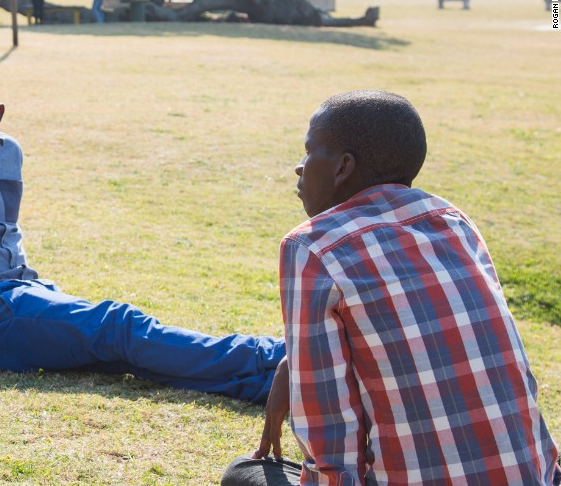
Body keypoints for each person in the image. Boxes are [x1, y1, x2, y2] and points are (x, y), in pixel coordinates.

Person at [0, 60, 283, 403]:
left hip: (26, 292)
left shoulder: (8, 150)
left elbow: (6, 229)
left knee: (123, 356)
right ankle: (273, 357)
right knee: (119, 325)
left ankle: (263, 384)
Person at [221, 91, 560, 486]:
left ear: (343, 167)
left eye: (310, 151)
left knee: (245, 474)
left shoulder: (311, 246)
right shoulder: (454, 222)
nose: (300, 167)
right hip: (535, 476)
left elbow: (332, 432)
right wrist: (291, 363)